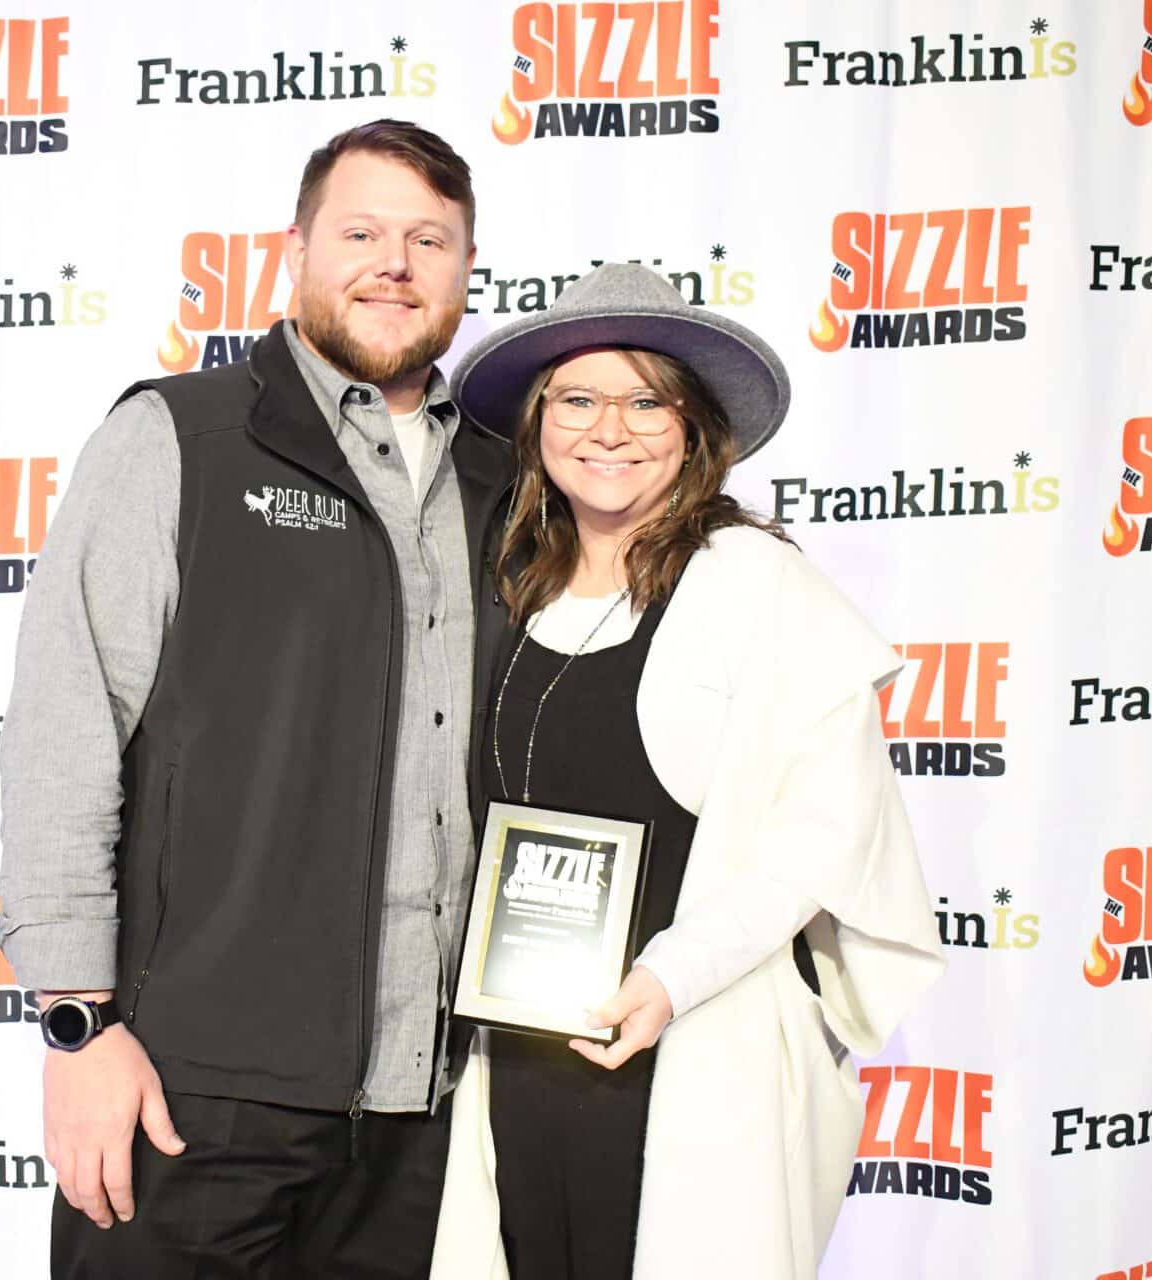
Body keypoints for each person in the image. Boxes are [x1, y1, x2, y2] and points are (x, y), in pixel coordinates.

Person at [0, 120, 512, 1278]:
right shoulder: (178, 438)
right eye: (362, 233)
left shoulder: (505, 474)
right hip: (191, 1093)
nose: (395, 264)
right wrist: (78, 1026)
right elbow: (67, 727)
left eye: (429, 240)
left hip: (427, 1109)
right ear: (296, 250)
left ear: (467, 269)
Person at [428, 263, 945, 1279]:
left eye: (645, 401)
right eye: (578, 399)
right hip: (526, 1056)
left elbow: (823, 834)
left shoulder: (759, 584)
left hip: (693, 1042)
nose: (609, 429)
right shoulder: (514, 585)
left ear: (692, 425)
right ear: (537, 423)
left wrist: (672, 975)